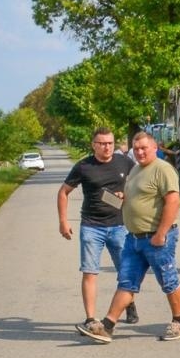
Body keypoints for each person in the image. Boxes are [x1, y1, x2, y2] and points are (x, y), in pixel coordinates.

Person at [75, 130, 180, 342]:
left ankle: (179, 322)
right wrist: (124, 197)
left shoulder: (163, 169)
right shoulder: (136, 169)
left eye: (144, 148)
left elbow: (173, 201)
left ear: (154, 148)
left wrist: (161, 233)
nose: (140, 152)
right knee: (126, 282)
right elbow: (139, 196)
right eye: (136, 149)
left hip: (157, 237)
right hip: (134, 238)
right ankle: (107, 326)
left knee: (168, 279)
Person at [56, 127, 138, 327]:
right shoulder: (84, 166)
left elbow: (140, 185)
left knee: (125, 271)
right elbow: (63, 192)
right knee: (90, 271)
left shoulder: (125, 162)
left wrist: (127, 194)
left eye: (110, 143)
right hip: (91, 226)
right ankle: (91, 318)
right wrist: (63, 221)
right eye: (102, 143)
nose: (106, 147)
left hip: (119, 225)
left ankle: (129, 304)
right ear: (93, 145)